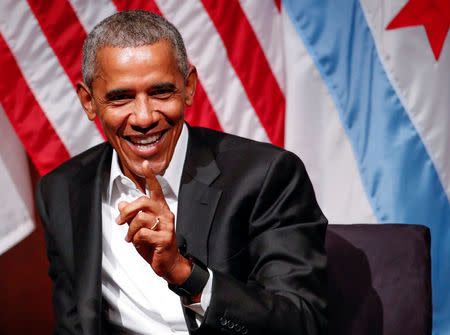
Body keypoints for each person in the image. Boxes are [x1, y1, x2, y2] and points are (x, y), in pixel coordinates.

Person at [36, 10, 327, 335]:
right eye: (121, 98)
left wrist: (184, 273)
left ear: (188, 87)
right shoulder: (62, 191)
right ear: (89, 102)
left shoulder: (266, 177)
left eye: (160, 92)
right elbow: (74, 324)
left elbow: (303, 322)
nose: (144, 117)